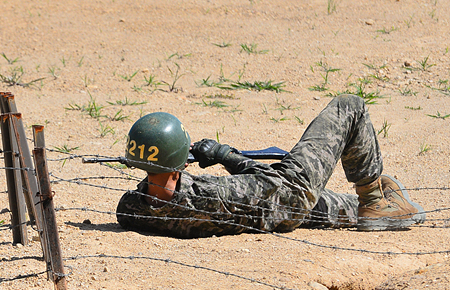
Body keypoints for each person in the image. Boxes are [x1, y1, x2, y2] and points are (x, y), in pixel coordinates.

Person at [116, 95, 425, 239]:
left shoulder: (131, 210)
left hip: (269, 216)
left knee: (344, 208)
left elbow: (153, 191)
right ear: (181, 162)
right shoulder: (210, 194)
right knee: (349, 106)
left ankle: (377, 207)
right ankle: (374, 201)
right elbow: (267, 182)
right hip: (287, 193)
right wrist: (225, 155)